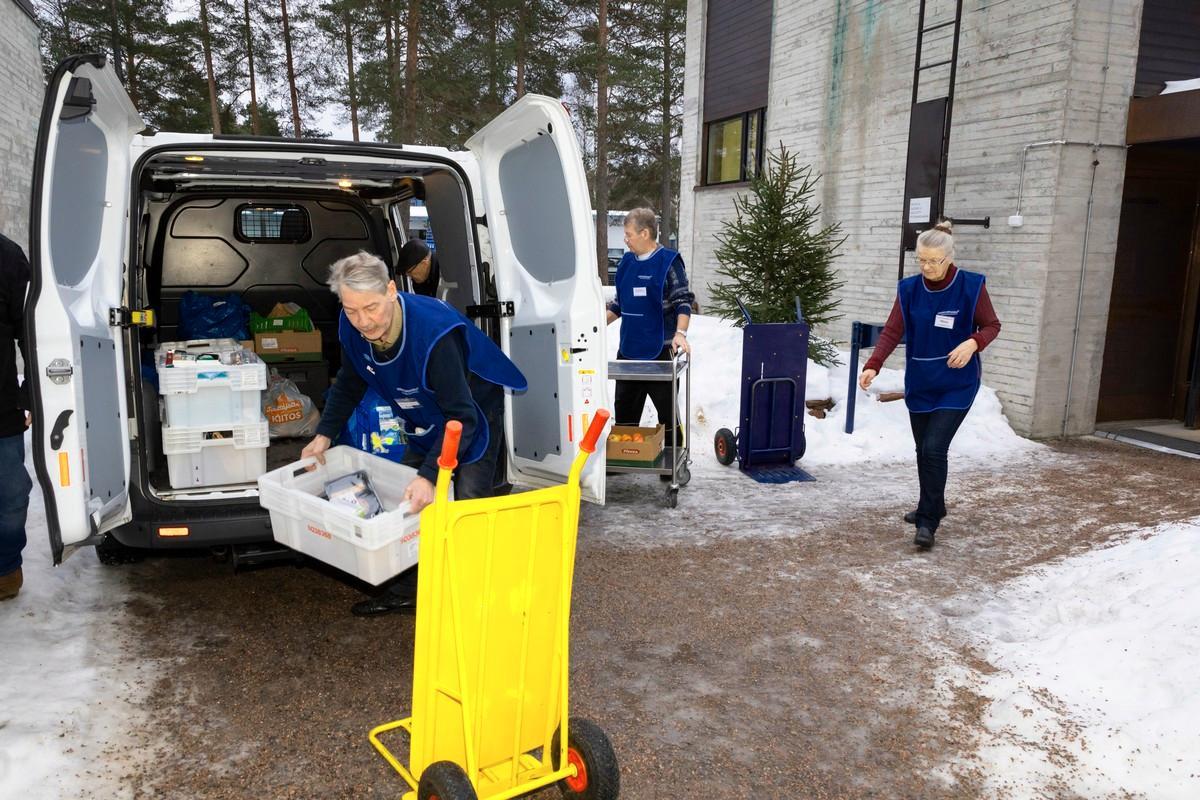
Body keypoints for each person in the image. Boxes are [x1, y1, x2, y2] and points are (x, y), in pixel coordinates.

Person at [301, 251, 526, 615]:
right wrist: (324, 434)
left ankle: (476, 595)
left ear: (391, 290)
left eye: (371, 308)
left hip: (471, 408)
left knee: (468, 497)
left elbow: (461, 417)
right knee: (406, 501)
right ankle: (410, 589)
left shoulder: (433, 335)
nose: (363, 321)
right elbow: (351, 379)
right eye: (352, 310)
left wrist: (430, 475)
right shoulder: (353, 325)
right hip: (424, 410)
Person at [859, 221, 1001, 550]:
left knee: (935, 448)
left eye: (933, 261)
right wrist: (873, 365)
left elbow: (992, 325)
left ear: (949, 258)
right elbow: (893, 331)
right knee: (923, 450)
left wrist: (973, 344)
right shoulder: (909, 289)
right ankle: (933, 504)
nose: (926, 267)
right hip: (921, 381)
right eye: (921, 260)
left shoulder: (971, 286)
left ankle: (928, 522)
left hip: (957, 383)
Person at [606, 208, 695, 457]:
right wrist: (596, 326)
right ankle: (625, 453)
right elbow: (618, 306)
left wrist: (681, 333)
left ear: (645, 233)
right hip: (629, 350)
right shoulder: (625, 263)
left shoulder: (669, 262)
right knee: (624, 407)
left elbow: (683, 302)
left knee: (666, 411)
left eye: (628, 234)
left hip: (661, 352)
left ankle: (674, 456)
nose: (625, 239)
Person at [0, 233, 32, 601]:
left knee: (11, 495)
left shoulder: (7, 256)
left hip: (0, 406)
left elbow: (30, 330)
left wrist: (31, 394)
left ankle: (6, 569)